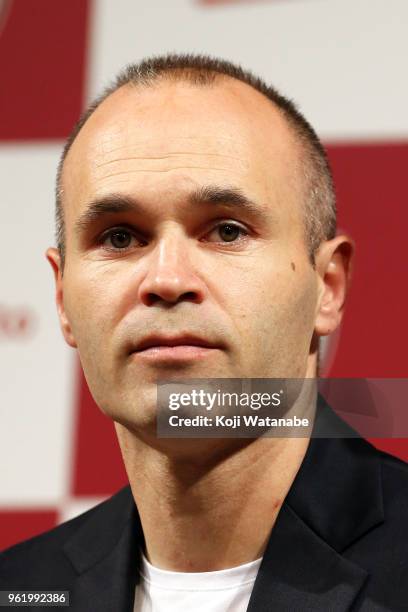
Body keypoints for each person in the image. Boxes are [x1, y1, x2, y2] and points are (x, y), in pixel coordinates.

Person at [0, 54, 407, 611]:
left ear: (327, 287)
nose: (166, 279)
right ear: (62, 297)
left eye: (226, 230)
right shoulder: (17, 586)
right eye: (119, 238)